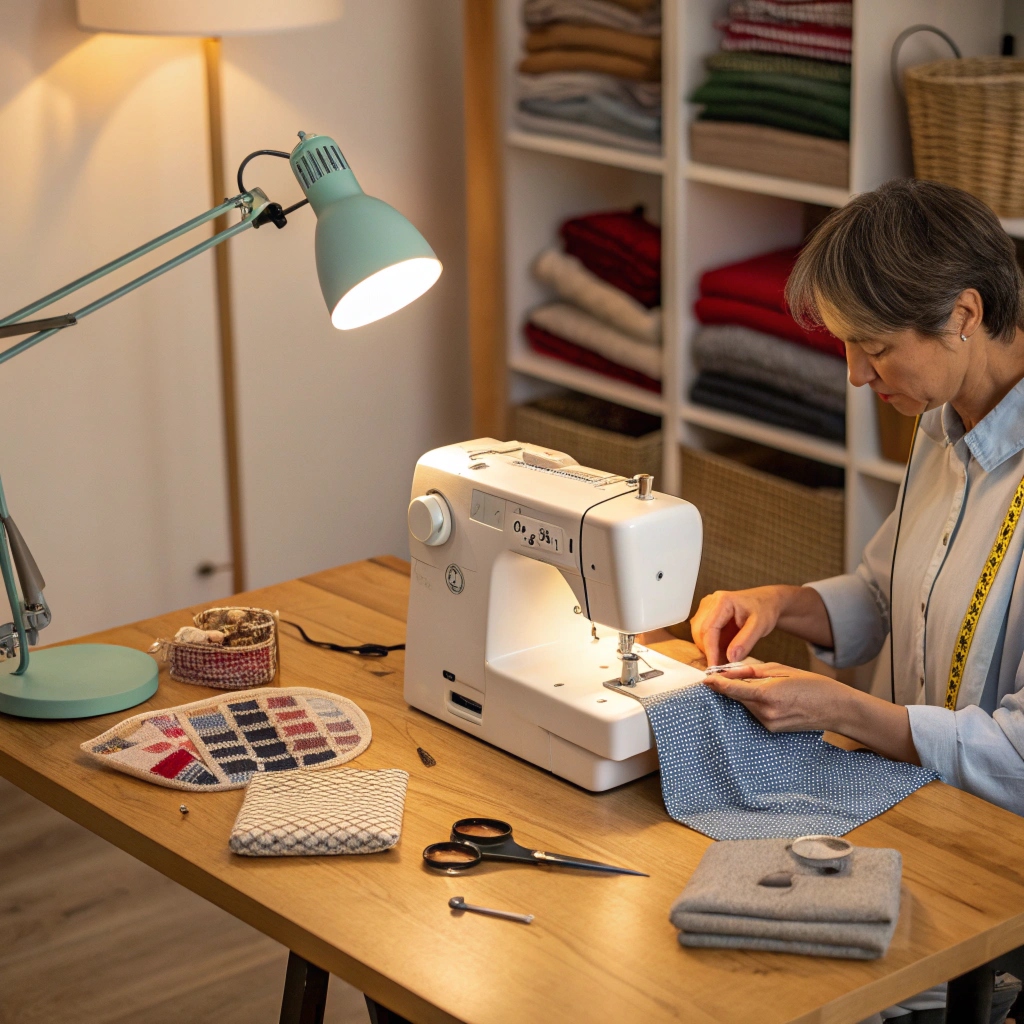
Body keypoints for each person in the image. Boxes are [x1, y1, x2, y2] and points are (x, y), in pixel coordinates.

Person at [688, 179, 1024, 1024]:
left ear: (964, 314)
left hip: (1003, 878)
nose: (852, 376)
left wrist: (846, 709)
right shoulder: (946, 427)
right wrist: (781, 604)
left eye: (871, 347)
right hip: (920, 818)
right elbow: (885, 591)